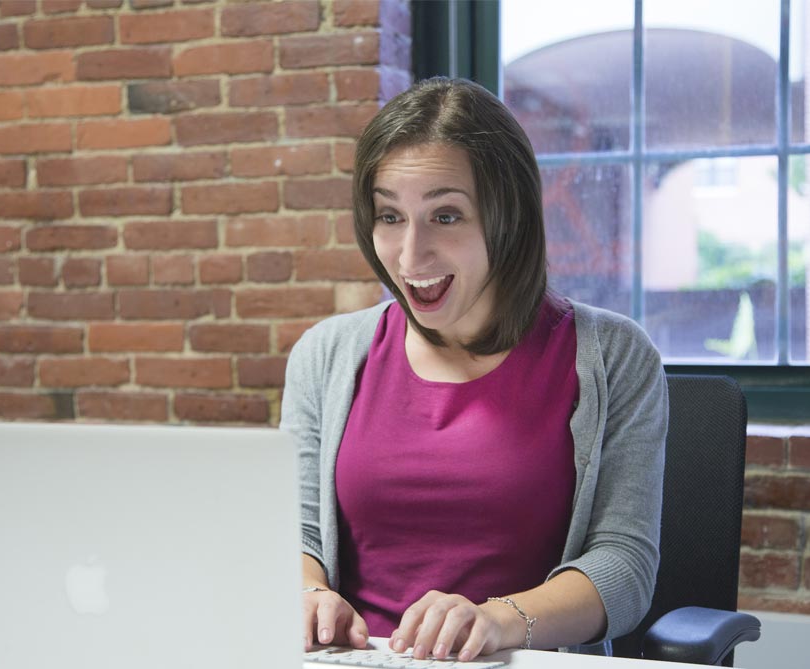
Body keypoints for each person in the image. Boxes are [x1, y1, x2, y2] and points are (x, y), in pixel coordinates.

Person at [280, 77, 668, 661]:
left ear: (505, 217)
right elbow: (299, 531)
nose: (411, 257)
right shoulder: (326, 354)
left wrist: (496, 621)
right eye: (390, 216)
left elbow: (624, 567)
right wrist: (308, 592)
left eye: (446, 216)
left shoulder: (614, 356)